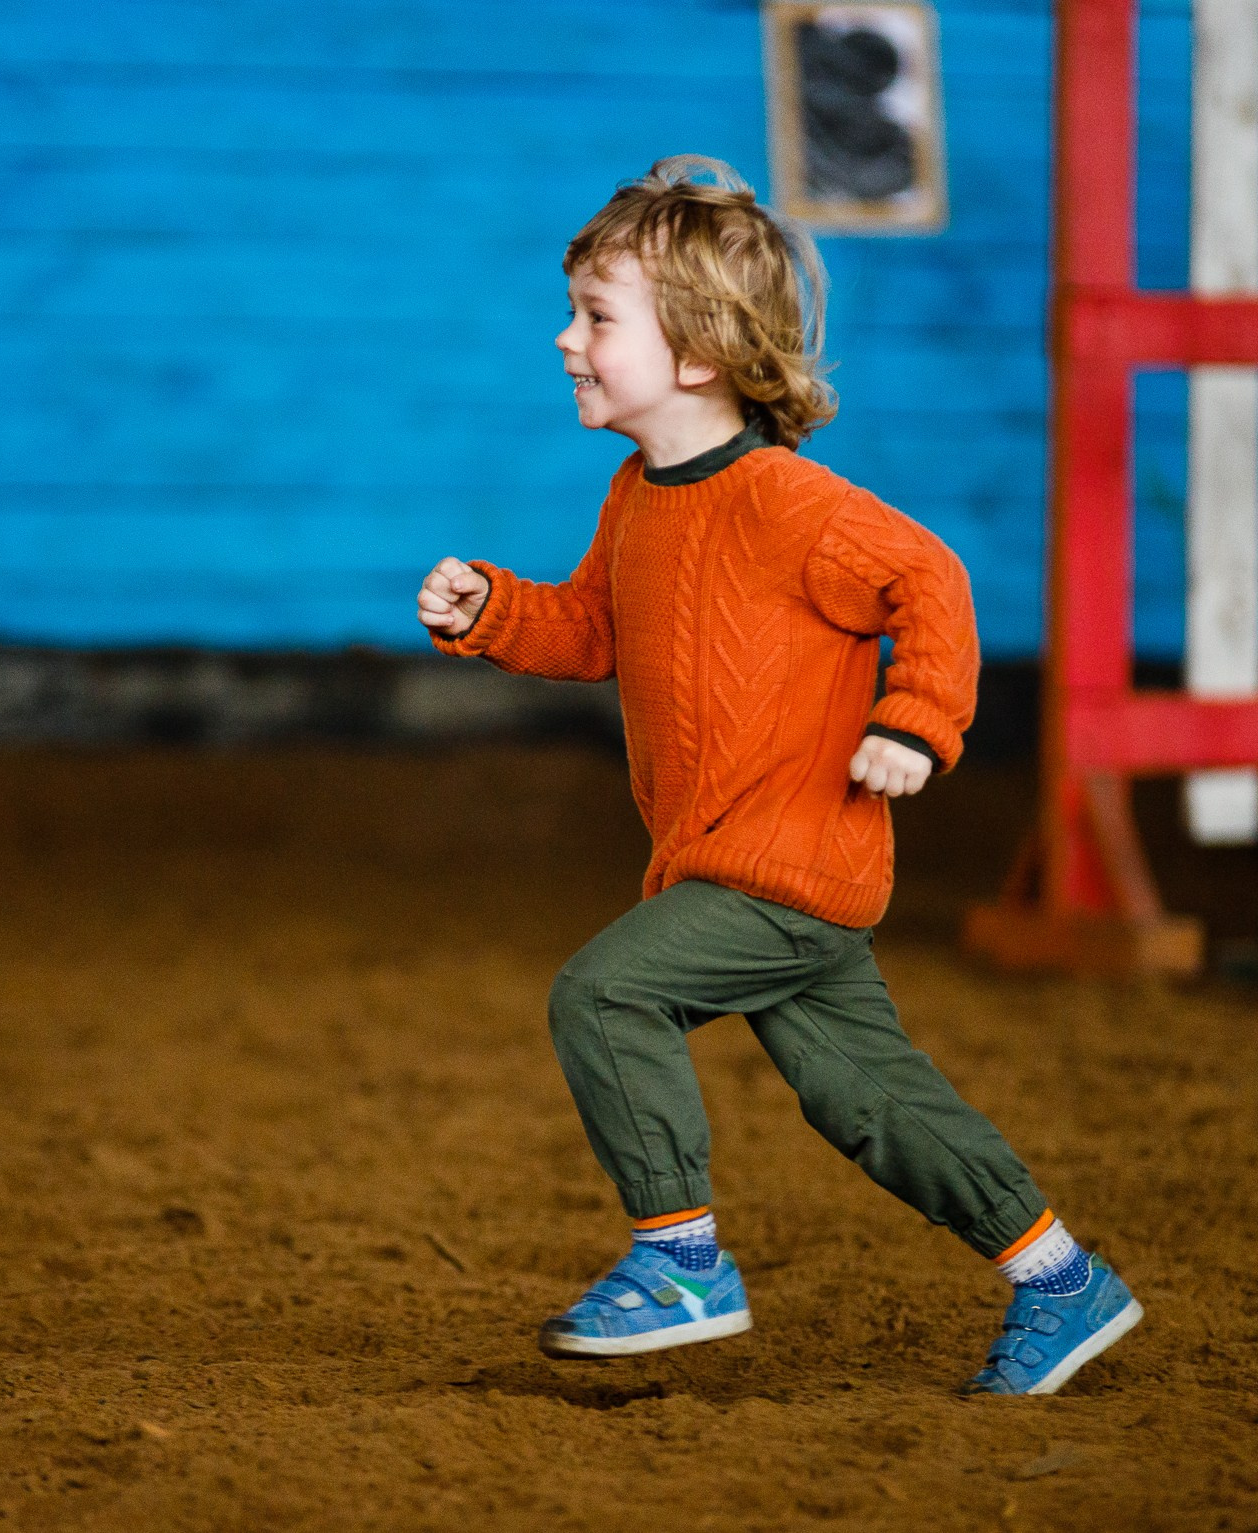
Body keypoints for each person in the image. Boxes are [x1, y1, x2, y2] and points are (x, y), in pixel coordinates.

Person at [414, 157, 1140, 1396]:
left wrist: (914, 720)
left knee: (603, 998)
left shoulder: (787, 504)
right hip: (740, 864)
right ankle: (1064, 1283)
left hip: (786, 863)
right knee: (867, 1101)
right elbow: (594, 629)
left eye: (595, 318)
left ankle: (680, 1263)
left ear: (696, 353)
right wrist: (497, 613)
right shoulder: (638, 495)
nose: (565, 339)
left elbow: (932, 580)